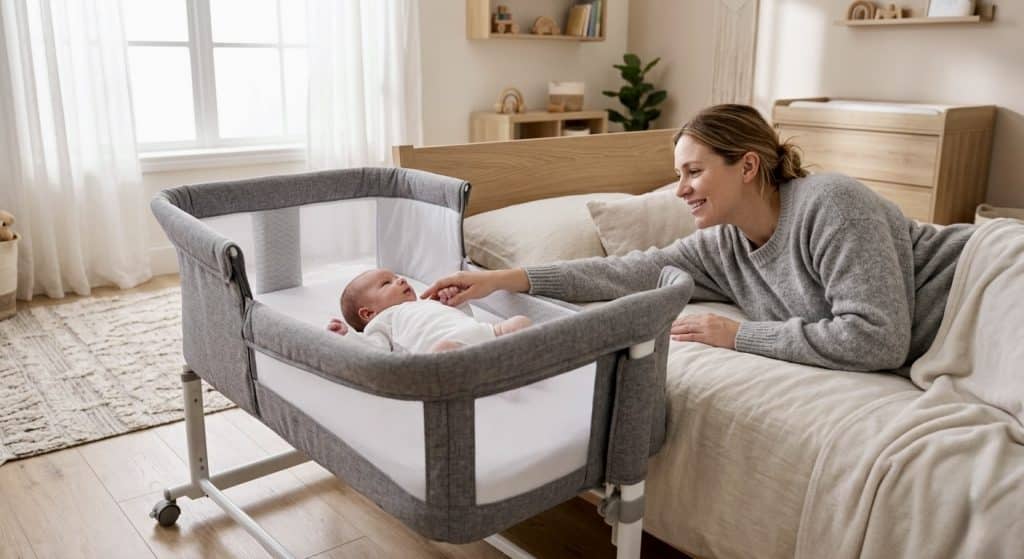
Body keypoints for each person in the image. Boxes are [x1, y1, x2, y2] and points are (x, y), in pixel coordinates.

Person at [420, 104, 975, 372]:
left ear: (749, 166)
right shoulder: (723, 245)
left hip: (985, 285)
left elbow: (878, 340)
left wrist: (739, 336)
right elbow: (627, 271)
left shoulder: (830, 203)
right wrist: (501, 278)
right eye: (678, 174)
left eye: (693, 172)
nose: (680, 190)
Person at [328, 268, 531, 353]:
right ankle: (495, 372)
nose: (400, 279)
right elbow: (373, 351)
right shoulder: (381, 322)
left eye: (397, 276)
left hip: (483, 332)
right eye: (386, 283)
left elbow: (464, 317)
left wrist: (454, 301)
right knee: (443, 354)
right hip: (446, 347)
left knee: (520, 322)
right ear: (368, 313)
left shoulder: (427, 302)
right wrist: (348, 337)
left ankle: (517, 362)